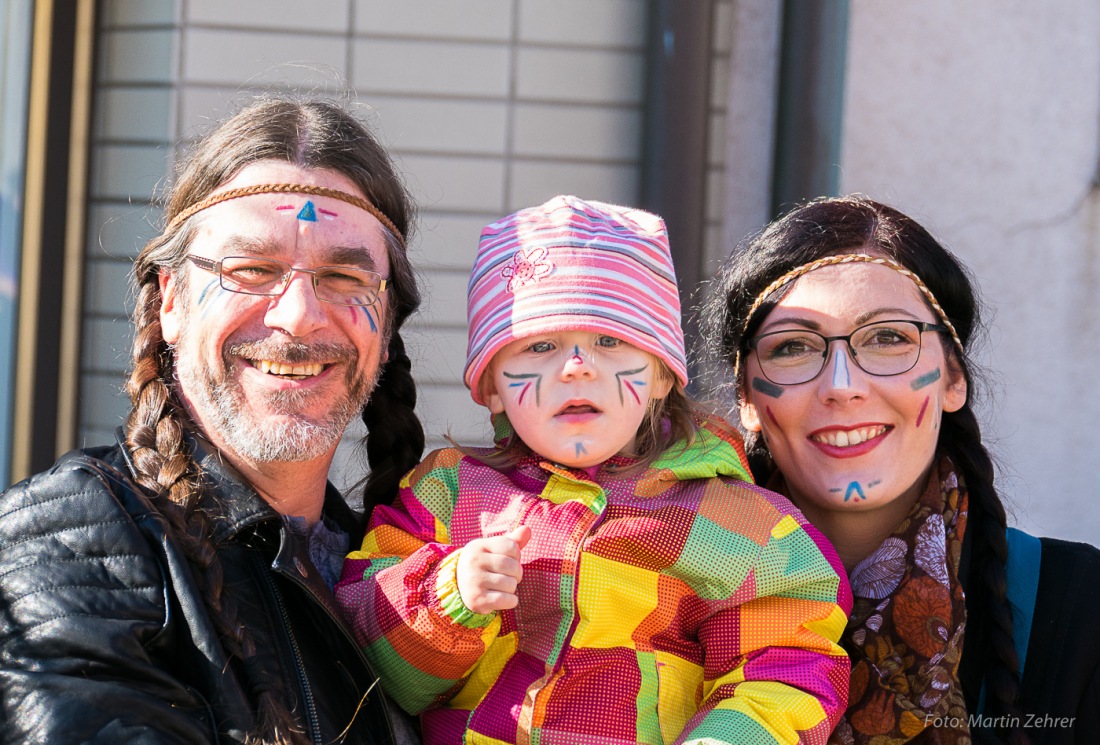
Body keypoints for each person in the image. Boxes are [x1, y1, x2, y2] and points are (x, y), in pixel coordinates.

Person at [334, 195, 853, 745]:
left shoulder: (742, 524)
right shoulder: (445, 495)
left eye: (610, 341)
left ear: (662, 377)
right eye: (539, 346)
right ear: (491, 388)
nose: (577, 368)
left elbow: (787, 666)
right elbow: (377, 668)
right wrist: (449, 596)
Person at [0, 98, 426, 744]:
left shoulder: (402, 571)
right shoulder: (66, 546)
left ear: (387, 327)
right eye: (252, 269)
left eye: (343, 276)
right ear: (169, 302)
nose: (299, 317)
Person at [703, 194, 1100, 745]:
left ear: (953, 378)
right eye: (793, 347)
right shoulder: (646, 601)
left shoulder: (1080, 608)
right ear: (746, 397)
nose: (841, 386)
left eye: (888, 338)